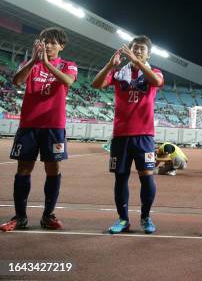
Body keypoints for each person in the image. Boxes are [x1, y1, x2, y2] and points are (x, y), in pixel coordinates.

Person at [0, 28, 77, 232]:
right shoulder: (30, 64)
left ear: (62, 46)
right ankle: (20, 217)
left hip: (53, 126)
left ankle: (47, 216)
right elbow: (16, 81)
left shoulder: (69, 65)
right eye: (45, 41)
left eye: (52, 42)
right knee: (23, 170)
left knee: (53, 169)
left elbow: (68, 81)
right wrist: (35, 61)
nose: (48, 45)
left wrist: (47, 64)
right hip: (29, 126)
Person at [92, 36, 164, 234]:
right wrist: (109, 65)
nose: (138, 51)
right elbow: (96, 84)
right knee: (120, 178)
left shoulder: (154, 72)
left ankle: (145, 217)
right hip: (121, 135)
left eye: (142, 49)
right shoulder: (118, 74)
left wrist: (139, 62)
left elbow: (157, 81)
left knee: (147, 177)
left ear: (148, 54)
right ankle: (123, 219)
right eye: (135, 48)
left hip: (144, 135)